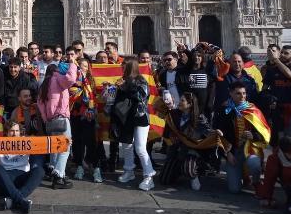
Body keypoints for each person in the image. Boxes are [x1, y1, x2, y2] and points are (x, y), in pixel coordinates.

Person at [215, 81, 270, 194]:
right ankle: (241, 175)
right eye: (238, 93)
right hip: (233, 151)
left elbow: (265, 131)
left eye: (244, 93)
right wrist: (227, 154)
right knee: (234, 190)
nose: (242, 96)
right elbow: (218, 135)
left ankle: (256, 182)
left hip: (251, 149)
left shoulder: (253, 110)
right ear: (230, 93)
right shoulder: (224, 110)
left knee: (254, 164)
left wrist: (253, 135)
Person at [111, 58, 156, 191]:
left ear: (130, 66)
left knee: (140, 148)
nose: (121, 67)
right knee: (127, 145)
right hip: (125, 118)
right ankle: (129, 171)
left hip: (139, 118)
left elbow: (141, 97)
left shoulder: (140, 80)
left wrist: (125, 86)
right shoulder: (123, 80)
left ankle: (149, 176)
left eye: (124, 65)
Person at [156, 92, 216, 191]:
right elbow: (158, 109)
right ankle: (178, 170)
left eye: (182, 101)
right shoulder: (174, 114)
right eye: (180, 100)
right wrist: (165, 98)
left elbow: (208, 133)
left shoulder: (199, 118)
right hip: (176, 150)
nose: (179, 102)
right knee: (164, 180)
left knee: (188, 168)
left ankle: (195, 174)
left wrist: (215, 133)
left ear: (190, 104)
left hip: (192, 151)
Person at [37, 48, 77, 189]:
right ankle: (58, 175)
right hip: (61, 118)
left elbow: (40, 105)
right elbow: (71, 79)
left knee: (55, 147)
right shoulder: (58, 78)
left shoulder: (43, 85)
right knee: (65, 147)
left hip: (50, 121)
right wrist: (72, 64)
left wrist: (46, 118)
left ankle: (54, 168)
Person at [0, 121, 44, 213]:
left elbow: (47, 146)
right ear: (6, 133)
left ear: (20, 132)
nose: (15, 133)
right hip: (4, 180)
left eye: (17, 131)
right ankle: (21, 200)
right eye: (12, 131)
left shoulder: (27, 142)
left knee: (39, 170)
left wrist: (65, 143)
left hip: (21, 178)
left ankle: (14, 201)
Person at [69, 58, 102, 183]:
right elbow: (70, 94)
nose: (83, 68)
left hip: (89, 115)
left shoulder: (91, 82)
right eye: (81, 66)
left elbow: (94, 98)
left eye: (85, 66)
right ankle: (79, 166)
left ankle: (95, 168)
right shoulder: (72, 80)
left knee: (91, 142)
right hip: (76, 114)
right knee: (77, 141)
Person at [263, 44, 291, 141]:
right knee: (277, 140)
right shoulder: (272, 71)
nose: (282, 55)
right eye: (282, 52)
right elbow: (264, 89)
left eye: (286, 53)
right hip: (277, 110)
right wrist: (269, 98)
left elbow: (290, 75)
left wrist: (276, 60)